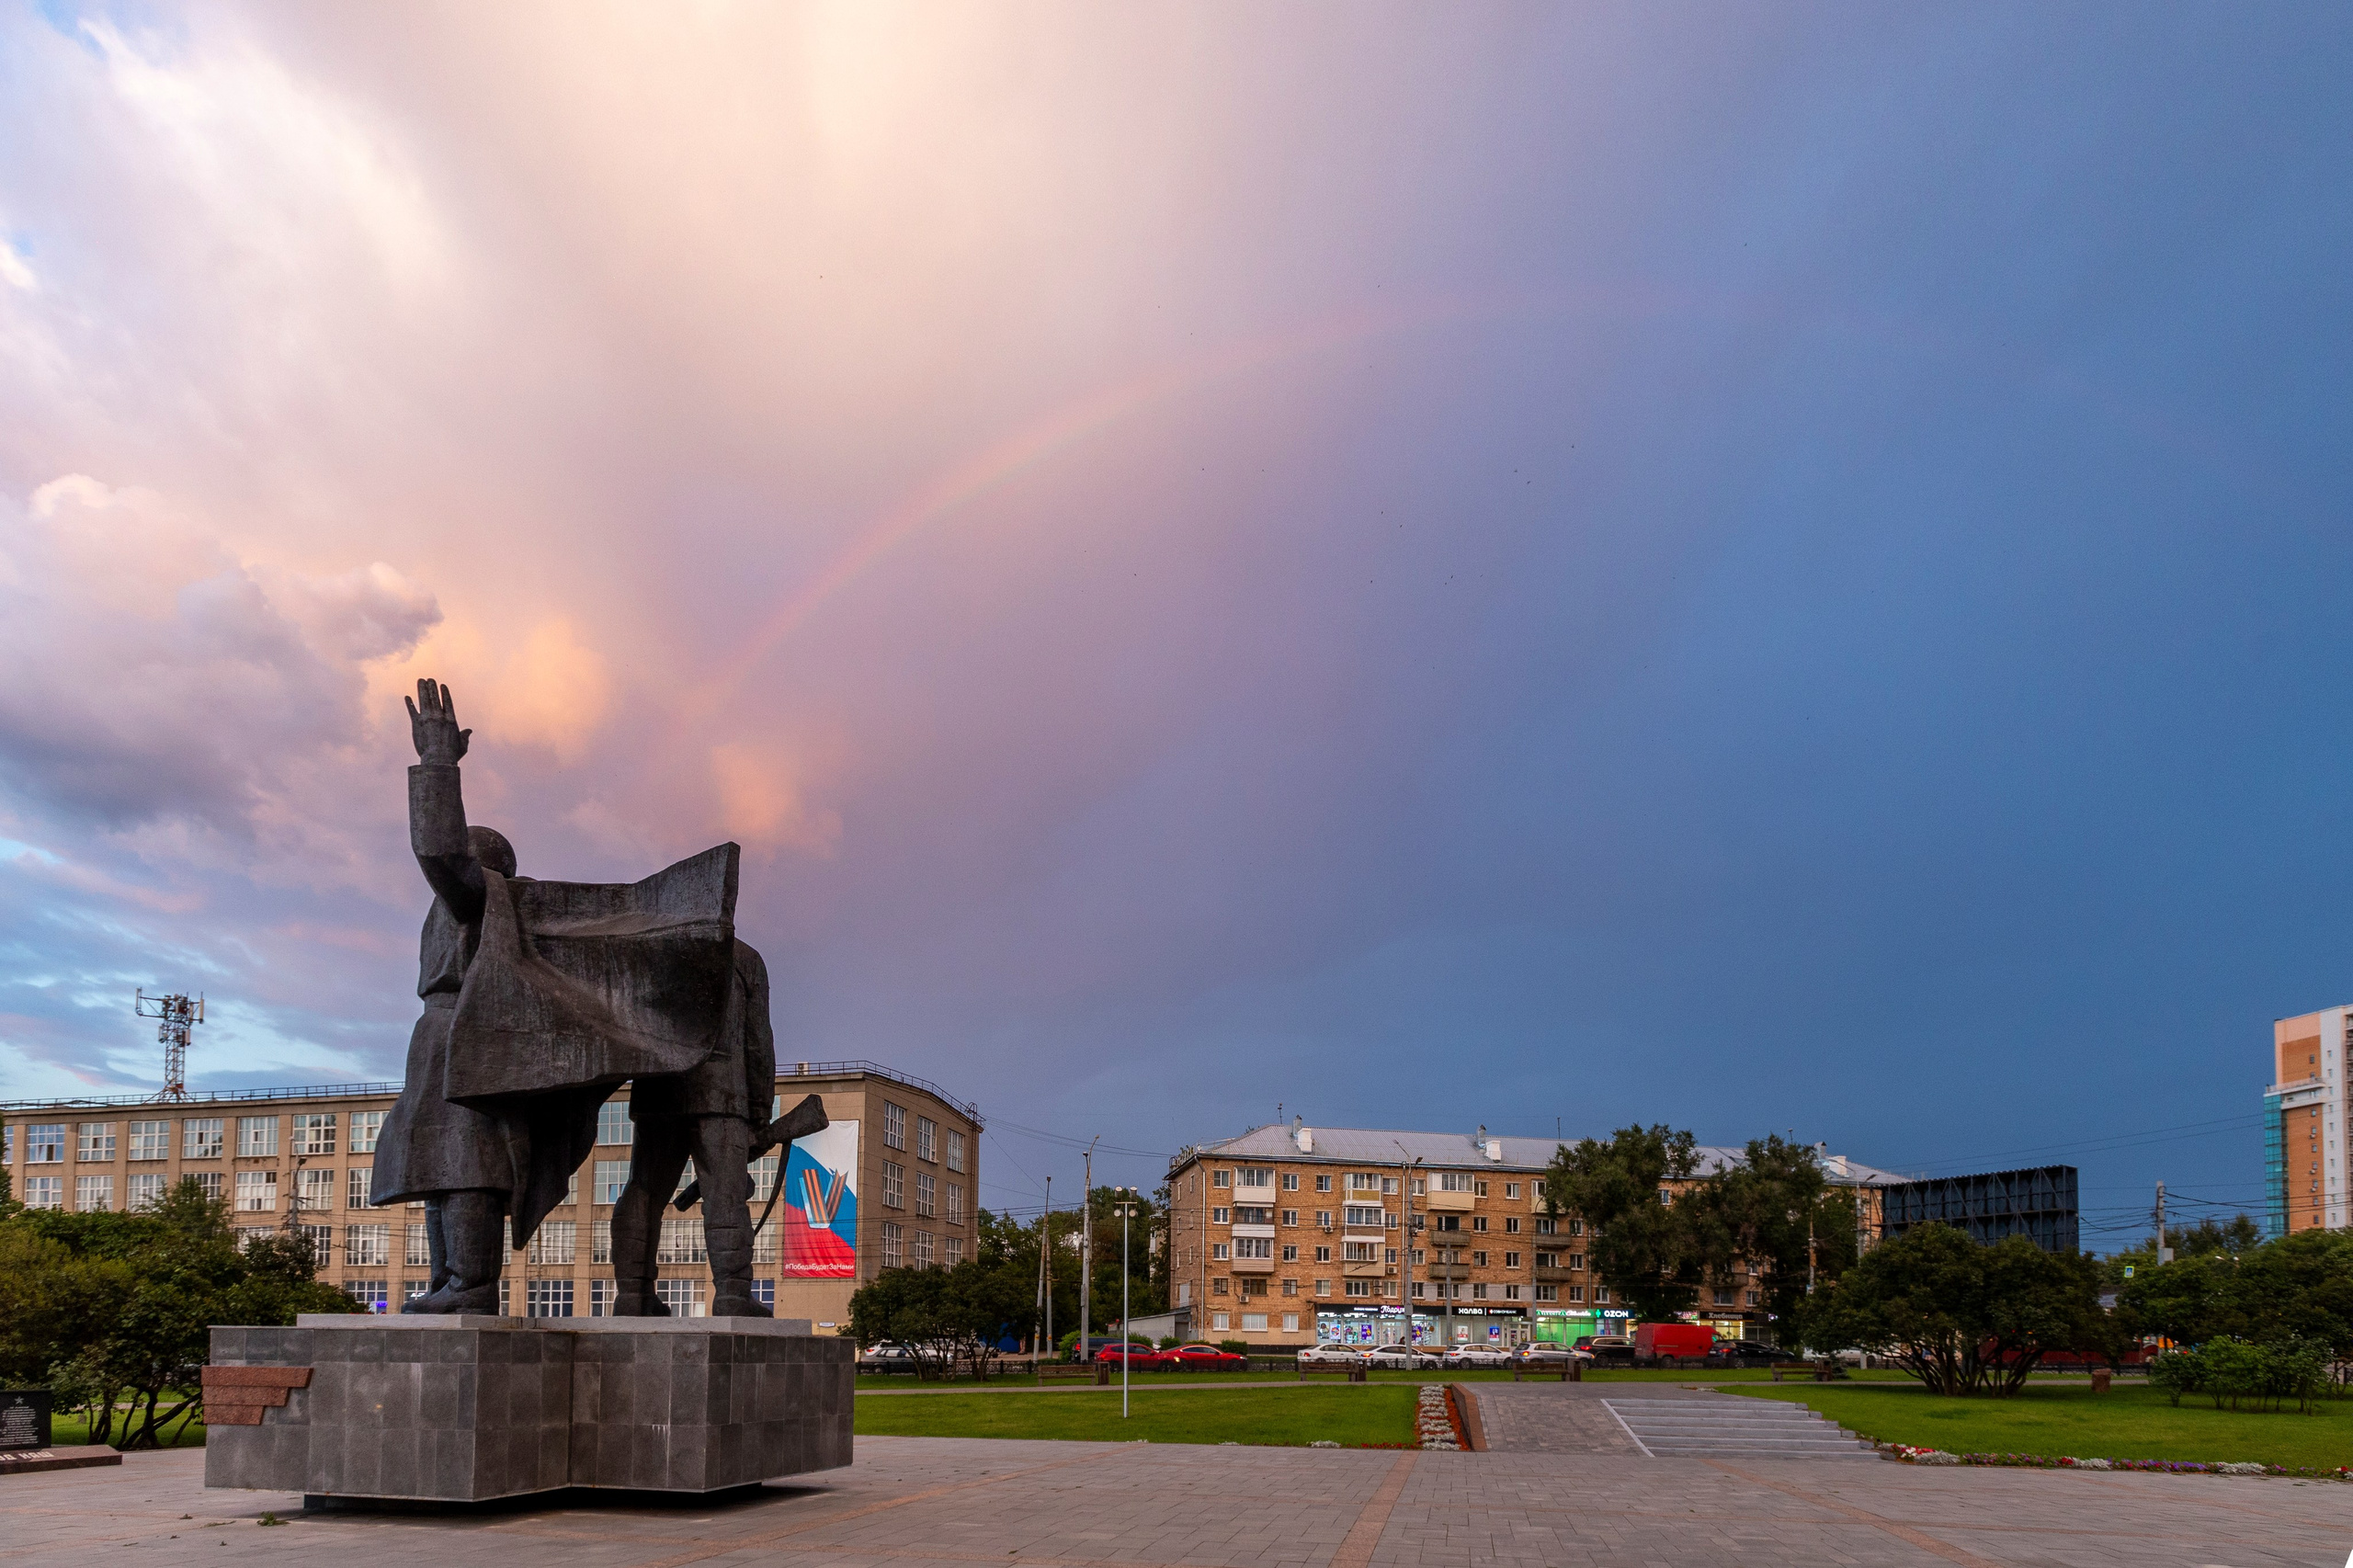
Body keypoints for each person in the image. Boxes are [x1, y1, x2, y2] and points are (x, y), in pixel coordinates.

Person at [370, 678, 602, 1313]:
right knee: (436, 1166)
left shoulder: (482, 901)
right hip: (439, 1038)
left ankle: (470, 1285)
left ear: (484, 868)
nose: (446, 872)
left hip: (471, 1036)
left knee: (467, 1160)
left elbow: (439, 851)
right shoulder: (459, 913)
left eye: (465, 859)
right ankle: (448, 1281)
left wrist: (437, 765)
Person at [609, 938, 778, 1317]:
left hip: (657, 1086)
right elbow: (757, 1041)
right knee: (726, 1195)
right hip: (721, 1091)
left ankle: (632, 1295)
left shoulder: (651, 948)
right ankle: (733, 1294)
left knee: (644, 1190)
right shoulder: (744, 957)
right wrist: (760, 1109)